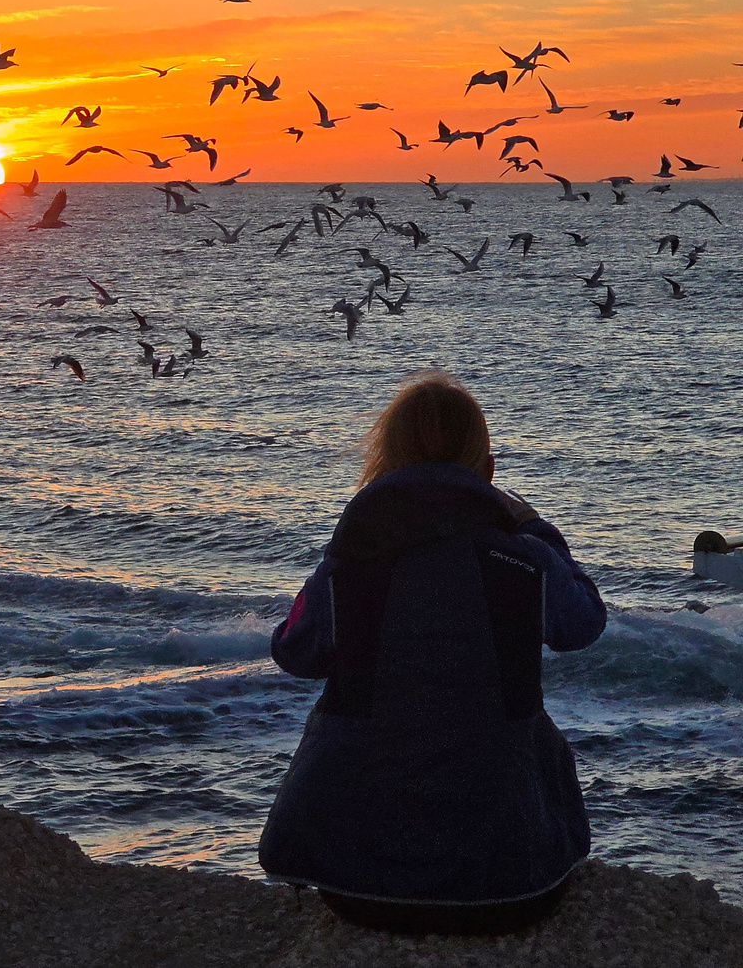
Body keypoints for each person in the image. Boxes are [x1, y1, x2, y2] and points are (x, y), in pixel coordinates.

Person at [258, 372, 606, 936]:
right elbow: (584, 623)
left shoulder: (353, 563)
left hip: (356, 884)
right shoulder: (523, 559)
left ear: (387, 462)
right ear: (487, 471)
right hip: (514, 880)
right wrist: (538, 530)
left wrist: (338, 567)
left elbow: (293, 652)